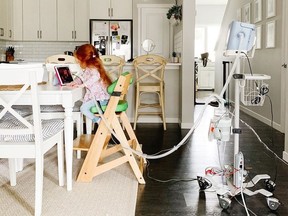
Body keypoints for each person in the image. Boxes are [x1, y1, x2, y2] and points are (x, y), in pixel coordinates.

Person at [67, 44, 112, 124]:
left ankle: (99, 121)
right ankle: (99, 121)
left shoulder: (92, 68)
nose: (77, 61)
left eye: (78, 59)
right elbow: (81, 77)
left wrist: (83, 85)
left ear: (83, 58)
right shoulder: (89, 68)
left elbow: (96, 76)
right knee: (84, 107)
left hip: (100, 99)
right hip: (97, 98)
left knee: (83, 109)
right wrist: (74, 82)